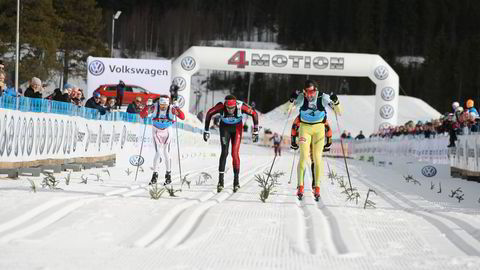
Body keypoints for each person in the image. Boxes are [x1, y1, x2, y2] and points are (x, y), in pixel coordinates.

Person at [288, 80, 342, 200]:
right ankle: (300, 187)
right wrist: (291, 100)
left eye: (312, 92)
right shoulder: (302, 98)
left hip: (319, 129)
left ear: (316, 90)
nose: (309, 95)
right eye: (306, 92)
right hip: (304, 129)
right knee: (303, 157)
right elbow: (287, 111)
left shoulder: (323, 97)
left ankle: (317, 187)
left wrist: (336, 102)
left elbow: (339, 112)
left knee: (317, 158)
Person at [203, 95, 259, 193]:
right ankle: (220, 182)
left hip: (237, 129)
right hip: (225, 128)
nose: (230, 110)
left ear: (235, 106)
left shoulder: (240, 106)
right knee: (224, 152)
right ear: (225, 105)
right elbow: (208, 114)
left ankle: (236, 182)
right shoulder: (221, 107)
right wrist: (206, 130)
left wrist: (255, 131)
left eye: (232, 108)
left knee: (234, 153)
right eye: (228, 108)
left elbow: (254, 114)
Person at [140, 94, 185, 185]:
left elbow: (182, 117)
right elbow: (142, 115)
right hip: (156, 131)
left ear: (168, 104)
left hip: (167, 131)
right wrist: (147, 107)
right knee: (158, 152)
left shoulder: (172, 108)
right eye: (161, 105)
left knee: (166, 152)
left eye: (164, 105)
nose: (163, 107)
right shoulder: (154, 107)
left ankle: (168, 175)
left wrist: (177, 108)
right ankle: (155, 175)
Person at [291, 114, 333, 189]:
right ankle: (314, 184)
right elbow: (328, 129)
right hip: (311, 137)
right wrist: (328, 142)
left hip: (305, 137)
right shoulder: (319, 114)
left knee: (305, 158)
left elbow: (294, 127)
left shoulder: (303, 114)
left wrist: (293, 141)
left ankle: (302, 184)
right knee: (314, 159)